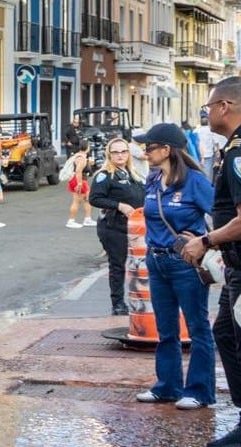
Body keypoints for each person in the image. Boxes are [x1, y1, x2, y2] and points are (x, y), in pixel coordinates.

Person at [178, 77, 241, 446]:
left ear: (224, 106)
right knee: (227, 334)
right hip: (239, 264)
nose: (207, 113)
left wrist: (205, 242)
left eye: (210, 106)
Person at [133, 122, 215, 410]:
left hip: (185, 263)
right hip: (156, 261)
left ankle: (199, 390)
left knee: (197, 328)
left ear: (167, 150)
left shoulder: (195, 181)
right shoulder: (153, 180)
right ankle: (167, 386)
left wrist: (206, 241)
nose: (145, 152)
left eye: (150, 147)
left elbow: (223, 215)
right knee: (165, 329)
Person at [89, 137, 146, 315]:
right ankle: (118, 303)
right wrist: (119, 205)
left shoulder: (132, 173)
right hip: (113, 227)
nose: (120, 155)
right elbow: (95, 198)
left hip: (134, 227)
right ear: (109, 154)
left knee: (138, 265)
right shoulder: (104, 175)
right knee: (118, 265)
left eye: (123, 151)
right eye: (115, 152)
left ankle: (138, 299)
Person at [65, 140, 94, 228]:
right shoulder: (82, 158)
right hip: (79, 180)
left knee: (87, 199)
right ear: (87, 147)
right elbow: (78, 171)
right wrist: (80, 183)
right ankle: (71, 221)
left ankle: (87, 219)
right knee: (77, 201)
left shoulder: (80, 156)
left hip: (79, 180)